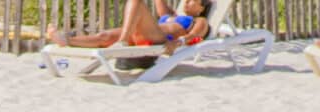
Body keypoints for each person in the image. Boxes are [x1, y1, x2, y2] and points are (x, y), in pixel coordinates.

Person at [51, 0, 211, 52]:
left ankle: (123, 41)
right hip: (143, 33)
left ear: (201, 8)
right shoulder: (174, 16)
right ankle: (66, 40)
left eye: (192, 0)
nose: (187, 2)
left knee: (136, 1)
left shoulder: (199, 21)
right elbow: (159, 3)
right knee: (104, 36)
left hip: (160, 39)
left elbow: (194, 36)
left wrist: (178, 43)